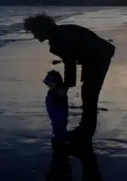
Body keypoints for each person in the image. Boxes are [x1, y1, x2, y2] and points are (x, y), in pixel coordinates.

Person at [24, 13, 115, 146]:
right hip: (92, 57)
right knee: (88, 93)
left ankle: (85, 136)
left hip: (99, 56)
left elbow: (70, 63)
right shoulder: (59, 34)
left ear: (42, 29)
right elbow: (70, 61)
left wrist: (65, 88)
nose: (34, 36)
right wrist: (66, 86)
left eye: (34, 32)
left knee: (90, 95)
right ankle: (84, 130)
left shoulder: (60, 38)